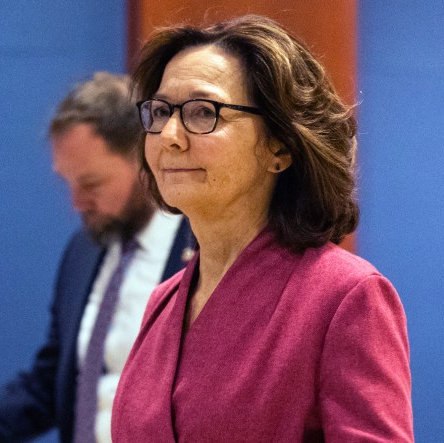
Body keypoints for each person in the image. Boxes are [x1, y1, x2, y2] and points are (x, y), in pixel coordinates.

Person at [110, 15, 413, 442]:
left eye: (203, 112)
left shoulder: (345, 296)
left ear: (281, 147)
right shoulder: (164, 301)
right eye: (160, 112)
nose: (170, 136)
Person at [0, 72, 195, 443]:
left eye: (91, 184)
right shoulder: (84, 251)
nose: (77, 203)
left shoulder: (204, 253)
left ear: (145, 159)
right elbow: (50, 384)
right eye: (68, 182)